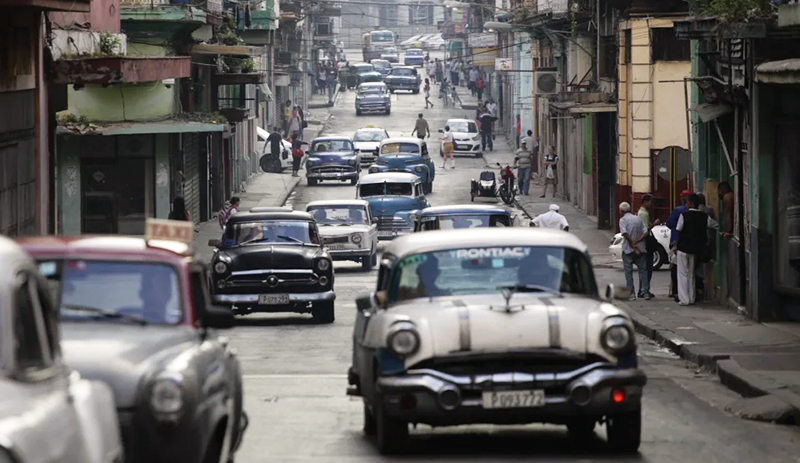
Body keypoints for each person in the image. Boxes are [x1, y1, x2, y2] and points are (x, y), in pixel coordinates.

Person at [675, 193, 719, 305]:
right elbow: (715, 225)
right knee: (691, 274)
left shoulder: (684, 215)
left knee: (682, 273)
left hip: (683, 248)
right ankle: (692, 297)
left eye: (688, 202)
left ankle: (684, 299)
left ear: (691, 203)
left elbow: (678, 229)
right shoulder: (704, 216)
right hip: (695, 250)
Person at [619, 201, 649, 300]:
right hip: (640, 248)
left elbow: (624, 233)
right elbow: (645, 232)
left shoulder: (623, 220)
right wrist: (637, 241)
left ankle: (631, 294)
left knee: (628, 272)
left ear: (621, 211)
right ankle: (645, 292)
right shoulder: (638, 219)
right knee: (643, 270)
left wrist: (631, 242)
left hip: (628, 249)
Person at [666, 190, 691, 299]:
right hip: (690, 242)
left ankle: (675, 290)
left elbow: (669, 223)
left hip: (676, 241)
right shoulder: (694, 211)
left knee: (675, 267)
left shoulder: (678, 210)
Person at [638, 194, 661, 299]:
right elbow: (646, 230)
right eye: (650, 202)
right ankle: (644, 290)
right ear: (645, 202)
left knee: (644, 267)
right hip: (646, 243)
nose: (651, 205)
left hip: (644, 243)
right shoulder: (644, 214)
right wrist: (654, 224)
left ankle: (642, 289)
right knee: (647, 267)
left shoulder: (642, 213)